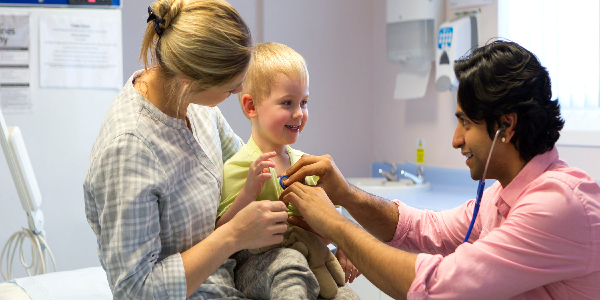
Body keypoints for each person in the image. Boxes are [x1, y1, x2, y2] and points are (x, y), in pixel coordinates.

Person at [280, 40, 600, 299]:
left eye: (465, 122)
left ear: (506, 125)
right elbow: (425, 228)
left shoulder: (558, 205)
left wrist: (334, 223)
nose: (456, 140)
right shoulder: (503, 194)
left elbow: (439, 286)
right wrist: (347, 196)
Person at [83, 1, 300, 299]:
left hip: (229, 281)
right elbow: (136, 290)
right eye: (230, 88)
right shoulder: (129, 149)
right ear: (190, 81)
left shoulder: (197, 108)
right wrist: (232, 234)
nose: (238, 92)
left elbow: (245, 165)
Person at [215, 42, 360, 299]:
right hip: (257, 269)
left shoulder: (306, 165)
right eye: (287, 103)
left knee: (345, 294)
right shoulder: (239, 167)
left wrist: (345, 246)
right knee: (290, 264)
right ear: (251, 107)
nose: (299, 114)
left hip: (312, 261)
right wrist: (248, 193)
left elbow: (330, 220)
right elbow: (221, 233)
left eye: (304, 102)